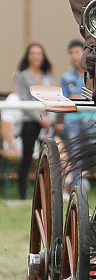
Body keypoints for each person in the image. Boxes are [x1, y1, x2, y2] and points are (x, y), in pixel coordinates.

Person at [55, 39, 96, 190]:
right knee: (75, 152)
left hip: (91, 118)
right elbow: (65, 100)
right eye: (71, 53)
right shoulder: (66, 77)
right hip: (72, 119)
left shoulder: (93, 75)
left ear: (84, 54)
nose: (74, 56)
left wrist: (78, 98)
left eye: (77, 52)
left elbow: (95, 97)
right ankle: (77, 187)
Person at [14, 43, 55, 199]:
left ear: (43, 56)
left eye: (39, 53)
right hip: (30, 121)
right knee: (27, 157)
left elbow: (53, 99)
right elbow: (24, 101)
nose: (36, 56)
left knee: (48, 157)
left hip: (47, 123)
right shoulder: (22, 75)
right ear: (28, 56)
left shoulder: (48, 77)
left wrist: (49, 119)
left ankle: (46, 194)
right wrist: (40, 118)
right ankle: (22, 194)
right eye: (33, 53)